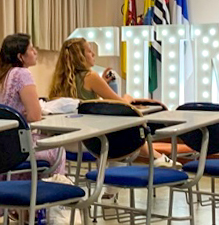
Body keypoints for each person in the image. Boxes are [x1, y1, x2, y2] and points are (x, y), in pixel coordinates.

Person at [0, 34, 63, 225]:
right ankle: (40, 209)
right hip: (14, 151)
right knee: (58, 150)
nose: (35, 52)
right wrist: (29, 112)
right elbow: (35, 115)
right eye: (31, 49)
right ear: (20, 56)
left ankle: (22, 209)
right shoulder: (22, 74)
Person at [48, 37, 173, 167]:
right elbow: (121, 104)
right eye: (89, 51)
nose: (93, 54)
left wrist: (101, 83)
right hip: (90, 141)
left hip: (66, 141)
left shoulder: (60, 81)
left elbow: (82, 103)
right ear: (80, 56)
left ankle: (156, 157)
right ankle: (156, 157)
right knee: (127, 128)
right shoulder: (91, 76)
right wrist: (128, 97)